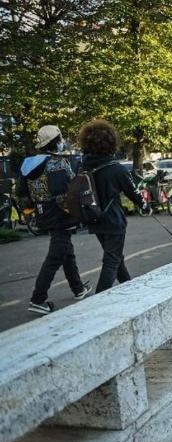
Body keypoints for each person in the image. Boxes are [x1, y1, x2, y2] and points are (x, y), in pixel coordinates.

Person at [18, 125, 90, 314]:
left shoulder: (28, 164)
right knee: (56, 254)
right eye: (60, 138)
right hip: (61, 213)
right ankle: (38, 299)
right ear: (55, 141)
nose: (62, 141)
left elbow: (22, 193)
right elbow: (68, 189)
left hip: (43, 213)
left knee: (66, 250)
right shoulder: (59, 163)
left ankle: (78, 288)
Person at [79, 120, 148, 294]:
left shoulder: (82, 167)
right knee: (112, 260)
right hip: (113, 221)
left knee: (116, 257)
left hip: (94, 219)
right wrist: (145, 207)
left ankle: (130, 288)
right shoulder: (116, 169)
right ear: (111, 143)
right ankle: (99, 299)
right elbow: (134, 193)